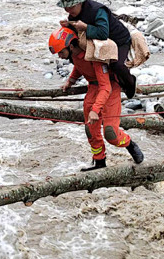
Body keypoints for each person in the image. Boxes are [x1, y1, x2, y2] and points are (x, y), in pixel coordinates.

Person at [48, 26, 144, 171]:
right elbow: (79, 66)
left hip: (109, 90)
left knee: (111, 133)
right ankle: (99, 162)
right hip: (93, 88)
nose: (60, 56)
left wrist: (95, 110)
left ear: (72, 46)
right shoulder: (74, 55)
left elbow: (106, 87)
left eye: (61, 52)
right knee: (90, 130)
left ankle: (129, 144)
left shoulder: (94, 54)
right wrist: (71, 81)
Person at [57, 0, 138, 99]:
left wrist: (85, 27)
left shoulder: (97, 10)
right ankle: (102, 83)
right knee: (75, 54)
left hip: (118, 40)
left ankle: (130, 84)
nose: (69, 11)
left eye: (71, 7)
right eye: (66, 8)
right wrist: (69, 25)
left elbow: (103, 33)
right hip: (99, 42)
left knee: (117, 65)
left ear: (80, 2)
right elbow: (76, 32)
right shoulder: (73, 15)